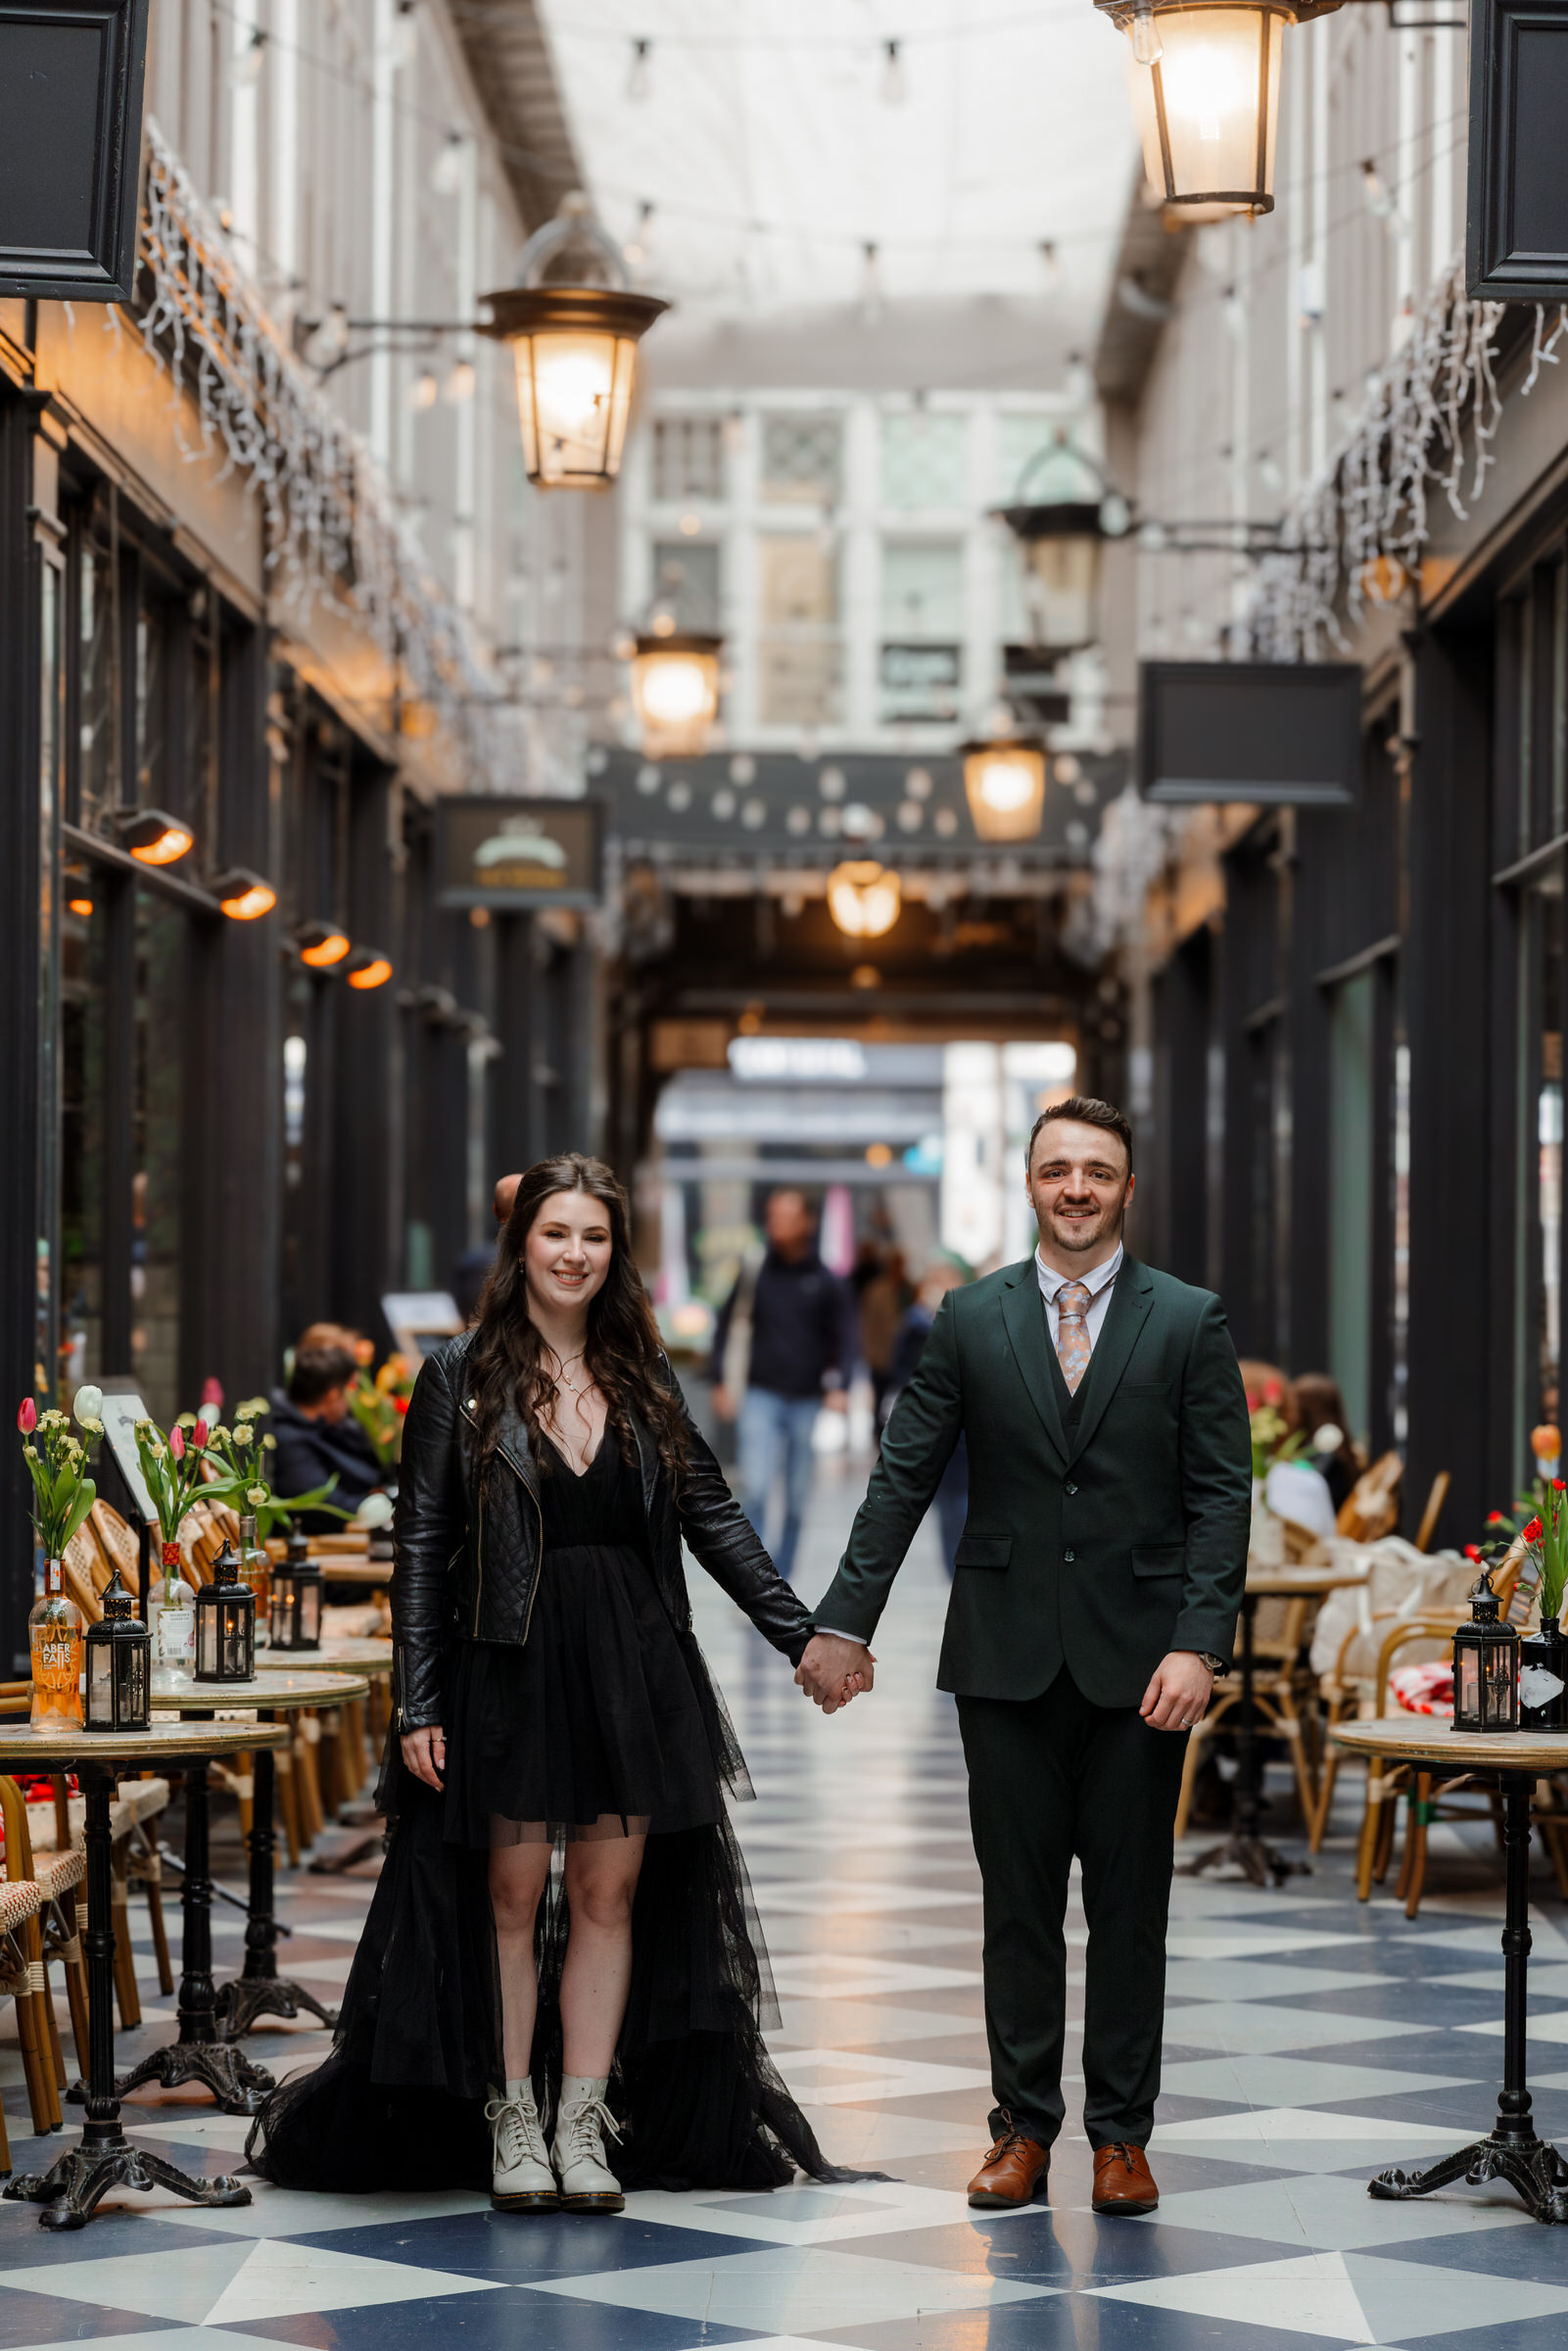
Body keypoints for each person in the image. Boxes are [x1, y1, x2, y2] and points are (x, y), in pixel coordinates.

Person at [248, 1153, 868, 2210]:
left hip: (629, 1662)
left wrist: (801, 1634)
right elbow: (424, 1545)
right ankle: (511, 2118)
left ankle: (583, 2120)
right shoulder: (461, 1373)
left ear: (613, 1251)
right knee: (505, 1896)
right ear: (520, 1244)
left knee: (606, 1894)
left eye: (593, 1237)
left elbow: (712, 1517)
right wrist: (419, 1701)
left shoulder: (643, 1372)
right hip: (507, 1659)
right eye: (555, 1234)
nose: (574, 1254)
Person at [794, 1095, 1250, 2218]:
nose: (1076, 1188)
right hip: (1001, 1660)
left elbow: (1218, 1497)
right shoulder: (968, 1319)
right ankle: (1020, 2132)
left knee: (1131, 1908)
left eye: (1097, 1171)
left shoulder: (1187, 1321)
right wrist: (842, 1623)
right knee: (1016, 1908)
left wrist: (1199, 1643)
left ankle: (1120, 2141)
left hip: (1144, 1667)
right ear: (1031, 1184)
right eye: (1057, 1170)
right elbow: (902, 1475)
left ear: (1126, 1188)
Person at [711, 1189, 854, 1581]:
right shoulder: (755, 1271)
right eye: (772, 1216)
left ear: (807, 1222)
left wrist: (839, 1384)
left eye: (787, 1217)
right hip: (760, 1393)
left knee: (794, 1496)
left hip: (806, 1399)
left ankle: (781, 1578)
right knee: (755, 1485)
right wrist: (720, 1380)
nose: (776, 1225)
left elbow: (844, 1336)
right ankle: (757, 1578)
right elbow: (724, 1325)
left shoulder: (825, 1280)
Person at [886, 1261, 970, 1573]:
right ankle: (954, 1572)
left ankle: (964, 1572)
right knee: (947, 1510)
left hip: (969, 1438)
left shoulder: (974, 1321)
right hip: (933, 1436)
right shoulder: (913, 1326)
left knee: (965, 1506)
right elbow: (899, 1374)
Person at [268, 1339, 384, 1528]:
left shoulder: (322, 1425)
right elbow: (324, 1503)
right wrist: (379, 1507)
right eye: (351, 1388)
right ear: (332, 1395)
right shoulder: (289, 1437)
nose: (354, 1398)